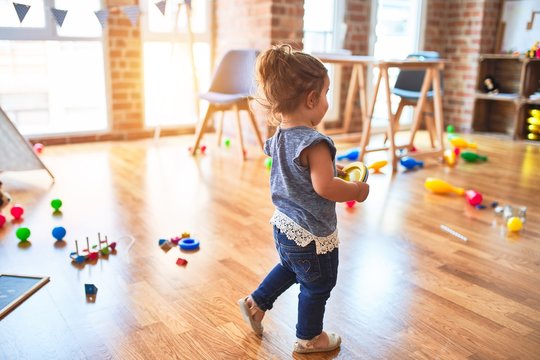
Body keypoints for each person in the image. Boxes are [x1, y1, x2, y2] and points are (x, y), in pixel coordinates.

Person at [238, 44, 370, 354]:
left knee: (289, 267)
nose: (326, 100)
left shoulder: (281, 134)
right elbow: (325, 187)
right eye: (326, 93)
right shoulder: (315, 141)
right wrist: (355, 190)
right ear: (311, 99)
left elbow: (301, 171)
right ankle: (309, 337)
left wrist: (331, 169)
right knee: (317, 284)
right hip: (311, 233)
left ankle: (255, 302)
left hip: (284, 225)